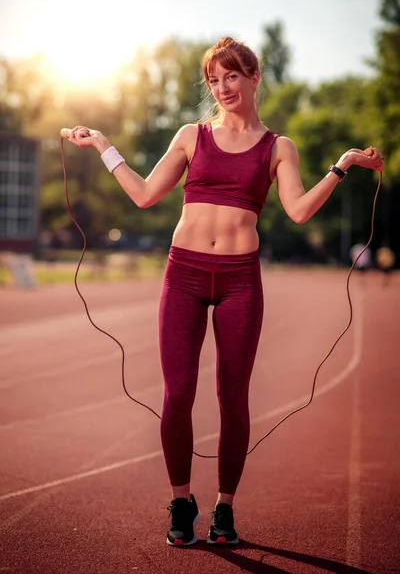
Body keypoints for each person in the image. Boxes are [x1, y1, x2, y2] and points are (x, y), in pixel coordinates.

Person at [62, 37, 384, 547]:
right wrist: (105, 145)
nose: (222, 87)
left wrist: (341, 164)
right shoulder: (192, 135)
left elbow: (298, 211)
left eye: (232, 76)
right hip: (184, 274)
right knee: (177, 395)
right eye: (214, 79)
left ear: (255, 77)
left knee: (233, 399)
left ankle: (225, 508)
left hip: (239, 280)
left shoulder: (279, 147)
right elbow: (145, 195)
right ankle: (181, 500)